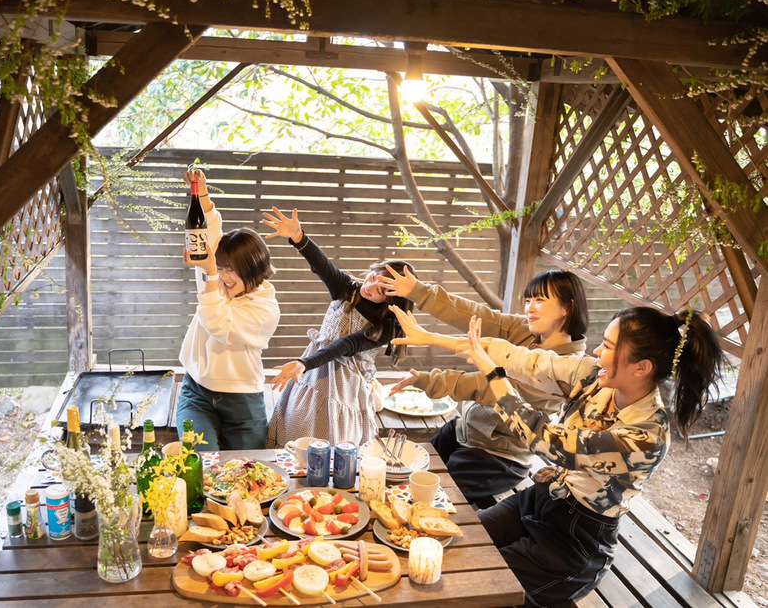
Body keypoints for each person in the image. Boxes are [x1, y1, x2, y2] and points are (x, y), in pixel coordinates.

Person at [391, 305, 724, 607]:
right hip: (541, 499)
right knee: (454, 546)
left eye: (608, 346)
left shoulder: (647, 437)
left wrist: (494, 376)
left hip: (574, 543)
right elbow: (523, 359)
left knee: (473, 584)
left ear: (642, 367)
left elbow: (550, 443)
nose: (597, 351)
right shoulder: (595, 376)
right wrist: (430, 337)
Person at [379, 268, 589, 509]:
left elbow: (488, 388)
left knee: (426, 502)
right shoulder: (525, 329)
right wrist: (419, 292)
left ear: (567, 307)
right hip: (465, 431)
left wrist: (430, 380)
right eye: (528, 300)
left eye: (539, 300)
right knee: (404, 476)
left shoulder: (566, 368)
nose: (529, 308)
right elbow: (476, 315)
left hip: (498, 457)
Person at [262, 207, 416, 448]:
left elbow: (346, 345)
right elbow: (322, 265)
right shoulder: (348, 289)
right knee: (298, 423)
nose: (369, 287)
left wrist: (303, 363)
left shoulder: (385, 326)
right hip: (313, 371)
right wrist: (298, 236)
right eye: (373, 277)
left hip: (346, 384)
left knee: (336, 438)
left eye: (380, 290)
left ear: (391, 300)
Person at [177, 169, 280, 451]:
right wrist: (202, 194)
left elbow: (218, 325)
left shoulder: (266, 309)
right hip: (197, 391)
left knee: (247, 469)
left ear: (254, 268)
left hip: (242, 399)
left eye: (231, 270)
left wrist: (211, 274)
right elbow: (208, 233)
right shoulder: (215, 277)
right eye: (221, 268)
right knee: (199, 463)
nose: (225, 277)